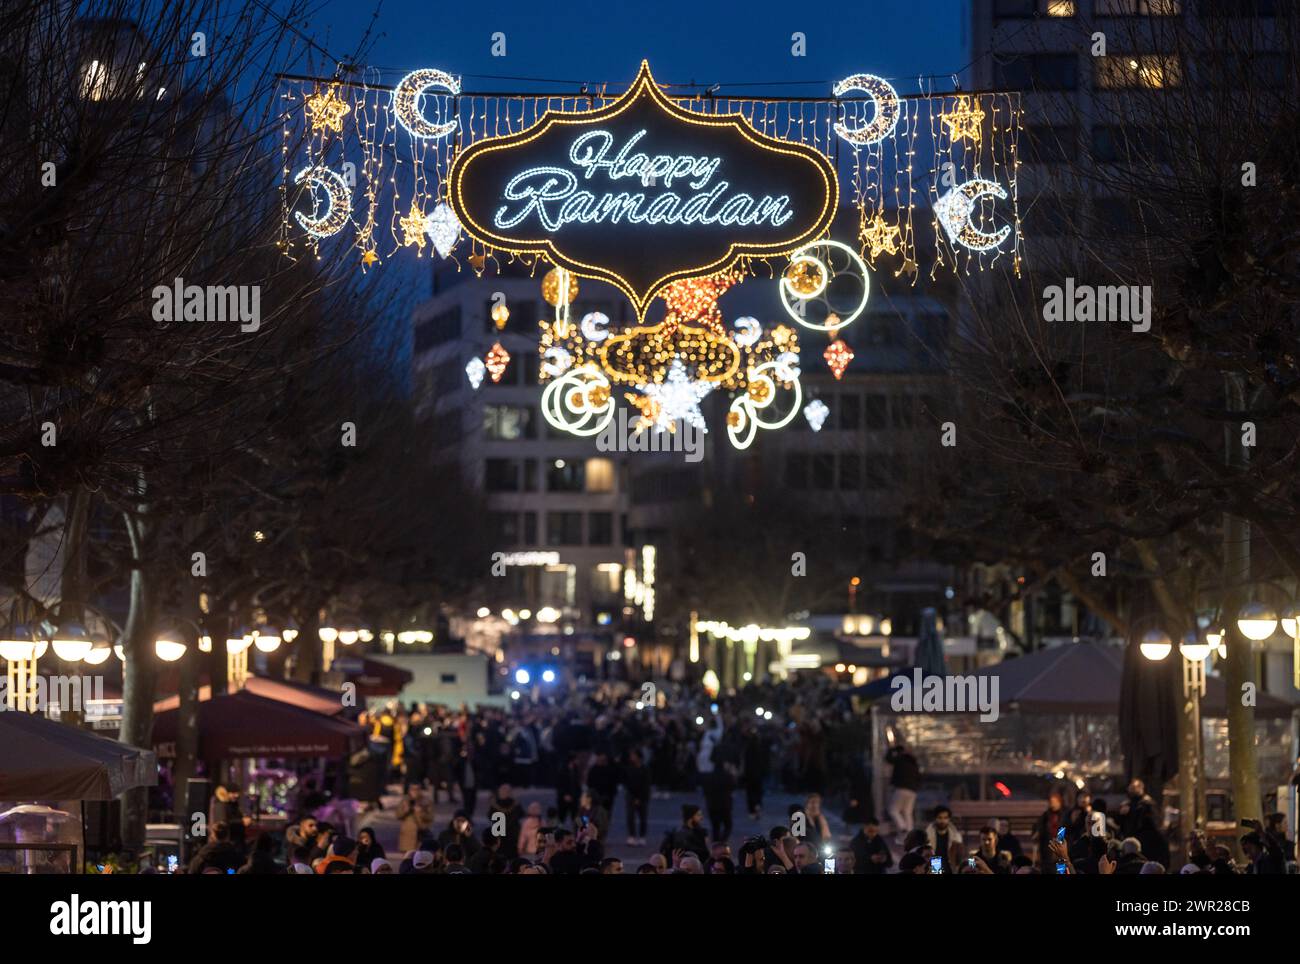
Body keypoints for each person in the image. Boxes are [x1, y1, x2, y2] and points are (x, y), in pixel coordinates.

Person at [885, 741, 920, 840]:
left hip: (901, 788)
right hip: (912, 790)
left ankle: (902, 828)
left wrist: (892, 749)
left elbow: (888, 759)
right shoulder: (913, 762)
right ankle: (910, 833)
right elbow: (919, 777)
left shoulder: (900, 759)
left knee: (893, 810)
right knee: (907, 812)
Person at [622, 749, 651, 846]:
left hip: (642, 796)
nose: (631, 757)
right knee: (630, 816)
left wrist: (640, 797)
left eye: (633, 755)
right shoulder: (629, 768)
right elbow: (627, 783)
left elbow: (646, 785)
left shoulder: (644, 769)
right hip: (631, 795)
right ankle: (632, 836)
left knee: (643, 817)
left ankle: (642, 836)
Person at [701, 763, 736, 844]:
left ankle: (716, 844)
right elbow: (734, 786)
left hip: (712, 805)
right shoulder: (728, 776)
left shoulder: (709, 777)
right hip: (725, 805)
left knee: (715, 827)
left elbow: (705, 791)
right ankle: (722, 841)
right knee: (728, 825)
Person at [1033, 790, 1067, 872]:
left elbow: (1065, 828)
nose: (1052, 804)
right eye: (1051, 802)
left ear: (1059, 802)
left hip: (1061, 846)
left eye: (1055, 802)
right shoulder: (1046, 815)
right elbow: (1038, 827)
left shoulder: (1065, 815)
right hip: (1047, 847)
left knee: (1060, 869)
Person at [924, 806, 959, 872]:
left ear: (949, 819)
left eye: (945, 818)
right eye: (940, 818)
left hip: (951, 867)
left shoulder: (955, 836)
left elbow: (964, 856)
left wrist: (972, 867)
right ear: (935, 818)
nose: (942, 821)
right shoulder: (927, 835)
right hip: (935, 863)